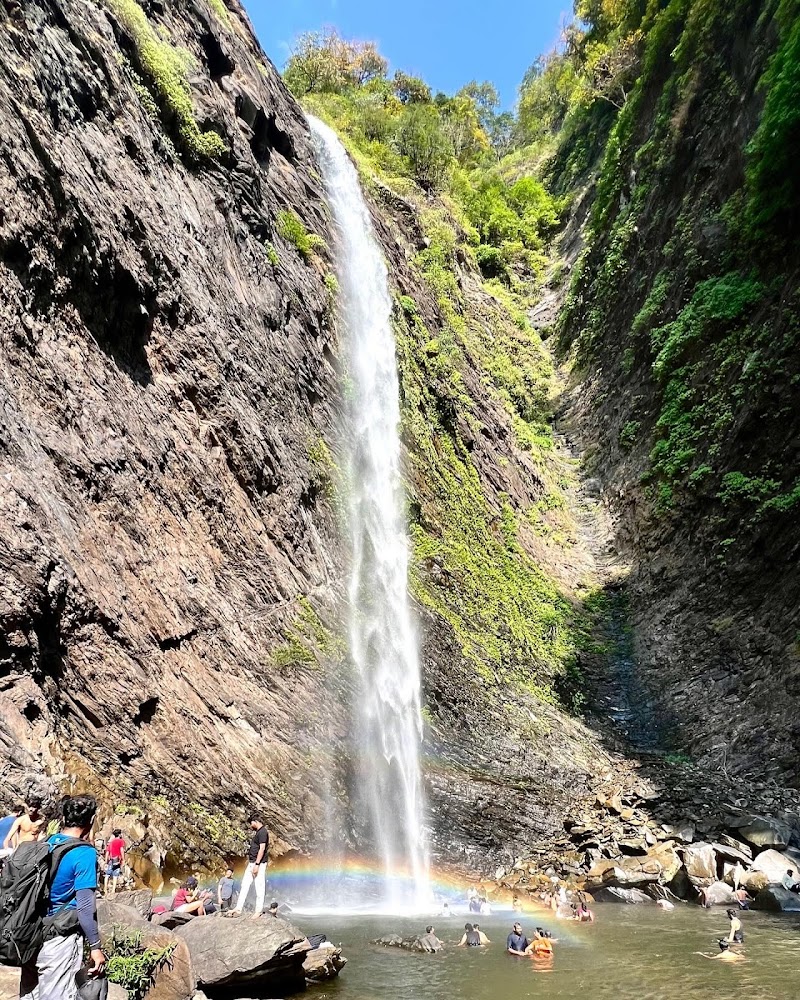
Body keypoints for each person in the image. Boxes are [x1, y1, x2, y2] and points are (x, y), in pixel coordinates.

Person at [19, 794, 106, 1000]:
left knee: (30, 994)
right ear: (91, 821)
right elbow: (85, 906)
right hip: (59, 937)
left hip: (31, 933)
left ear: (64, 818)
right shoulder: (84, 853)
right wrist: (95, 947)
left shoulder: (46, 842)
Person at [225, 815, 269, 919]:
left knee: (259, 886)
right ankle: (238, 908)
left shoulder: (263, 832)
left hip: (259, 864)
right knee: (244, 885)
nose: (250, 825)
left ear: (256, 821)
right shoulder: (258, 832)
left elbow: (262, 849)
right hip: (252, 862)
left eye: (251, 823)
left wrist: (257, 865)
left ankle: (258, 911)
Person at [103, 829, 125, 896]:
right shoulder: (121, 841)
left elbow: (107, 852)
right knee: (115, 875)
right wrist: (123, 859)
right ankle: (113, 890)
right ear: (119, 834)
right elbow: (121, 850)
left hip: (111, 860)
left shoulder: (111, 842)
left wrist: (106, 861)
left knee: (107, 875)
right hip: (117, 861)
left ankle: (105, 889)